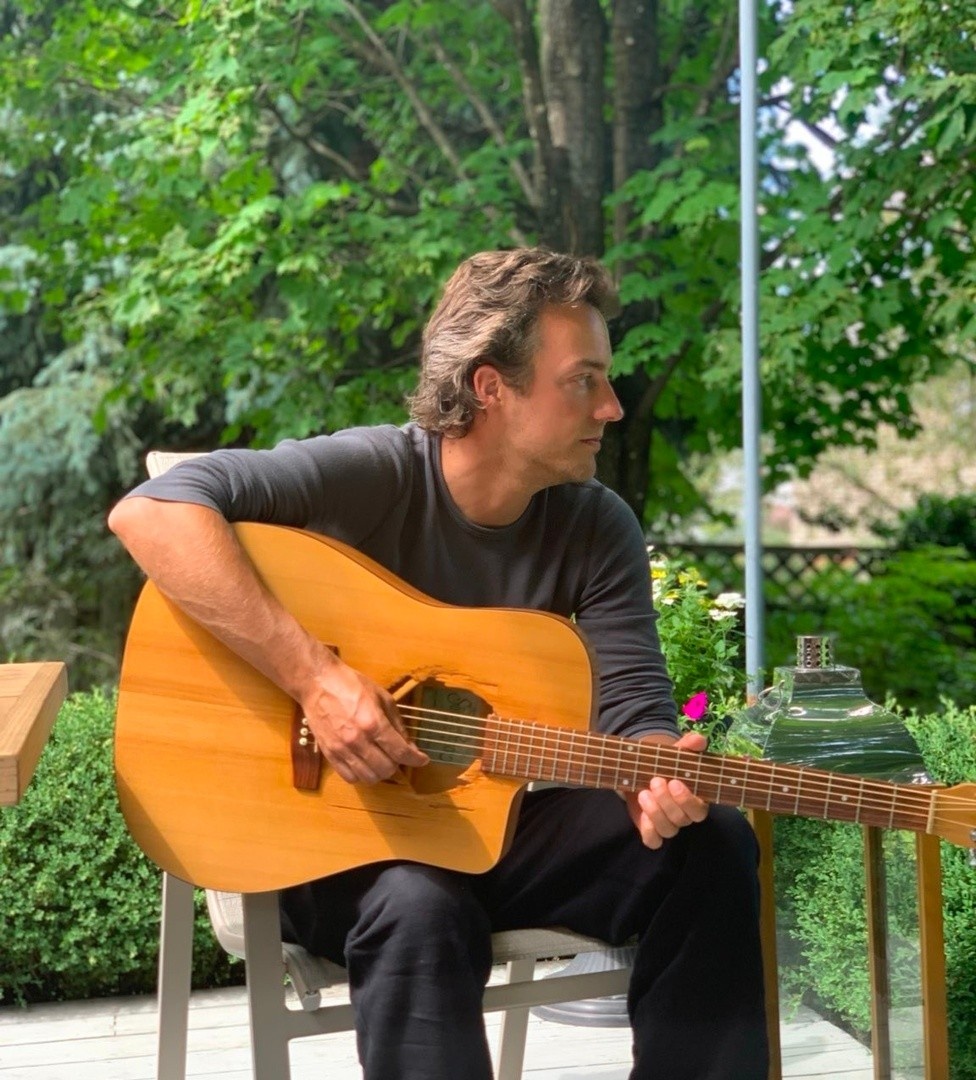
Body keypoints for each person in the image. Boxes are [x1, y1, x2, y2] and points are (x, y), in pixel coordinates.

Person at [108, 247, 768, 1080]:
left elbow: (634, 707)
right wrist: (316, 680)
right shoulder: (372, 473)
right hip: (329, 848)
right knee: (421, 906)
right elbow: (152, 512)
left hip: (492, 835)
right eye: (583, 381)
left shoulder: (597, 526)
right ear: (491, 386)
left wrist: (654, 776)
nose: (611, 407)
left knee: (712, 843)